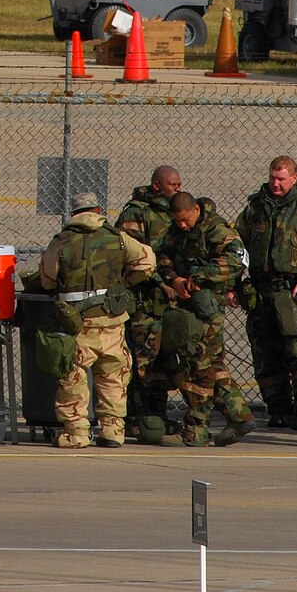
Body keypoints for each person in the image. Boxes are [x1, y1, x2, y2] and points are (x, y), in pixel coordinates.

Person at [35, 192, 155, 449]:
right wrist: (123, 285)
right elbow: (147, 262)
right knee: (113, 375)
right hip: (112, 320)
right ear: (98, 209)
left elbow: (46, 279)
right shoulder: (117, 237)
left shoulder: (62, 241)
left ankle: (77, 432)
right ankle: (113, 431)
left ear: (73, 214)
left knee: (73, 375)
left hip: (77, 324)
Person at [234, 155, 297, 430]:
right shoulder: (256, 207)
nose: (276, 184)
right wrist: (235, 284)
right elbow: (237, 244)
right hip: (261, 291)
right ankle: (277, 408)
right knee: (266, 353)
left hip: (293, 293)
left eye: (281, 179)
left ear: (294, 178)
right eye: (272, 178)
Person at [156, 192, 254, 447]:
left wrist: (199, 277)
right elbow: (163, 256)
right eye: (177, 221)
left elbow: (237, 260)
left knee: (199, 367)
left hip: (208, 308)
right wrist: (175, 278)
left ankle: (196, 429)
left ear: (196, 210)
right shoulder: (176, 231)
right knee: (211, 365)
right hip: (187, 307)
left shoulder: (216, 229)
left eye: (186, 220)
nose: (182, 225)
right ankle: (239, 414)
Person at [116, 166, 183, 443]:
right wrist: (160, 282)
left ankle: (156, 414)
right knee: (142, 362)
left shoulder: (174, 211)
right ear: (157, 185)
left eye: (179, 184)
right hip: (145, 301)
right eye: (172, 185)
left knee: (163, 361)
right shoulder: (137, 212)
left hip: (168, 300)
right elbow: (133, 256)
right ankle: (136, 417)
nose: (177, 189)